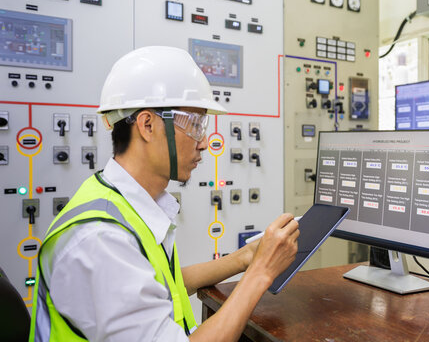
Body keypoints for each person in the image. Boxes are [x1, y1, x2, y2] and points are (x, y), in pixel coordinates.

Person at [29, 46, 299, 342]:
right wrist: (260, 273)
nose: (204, 143)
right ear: (147, 125)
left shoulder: (118, 199)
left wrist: (244, 258)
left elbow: (160, 284)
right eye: (195, 125)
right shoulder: (101, 240)